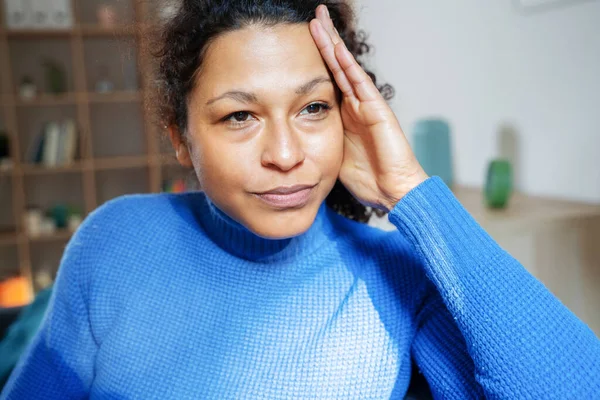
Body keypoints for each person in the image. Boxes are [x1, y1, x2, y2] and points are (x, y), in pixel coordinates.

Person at [2, 1, 599, 399]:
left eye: (314, 108)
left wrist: (413, 193)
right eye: (240, 115)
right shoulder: (115, 242)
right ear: (181, 138)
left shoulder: (397, 278)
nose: (286, 153)